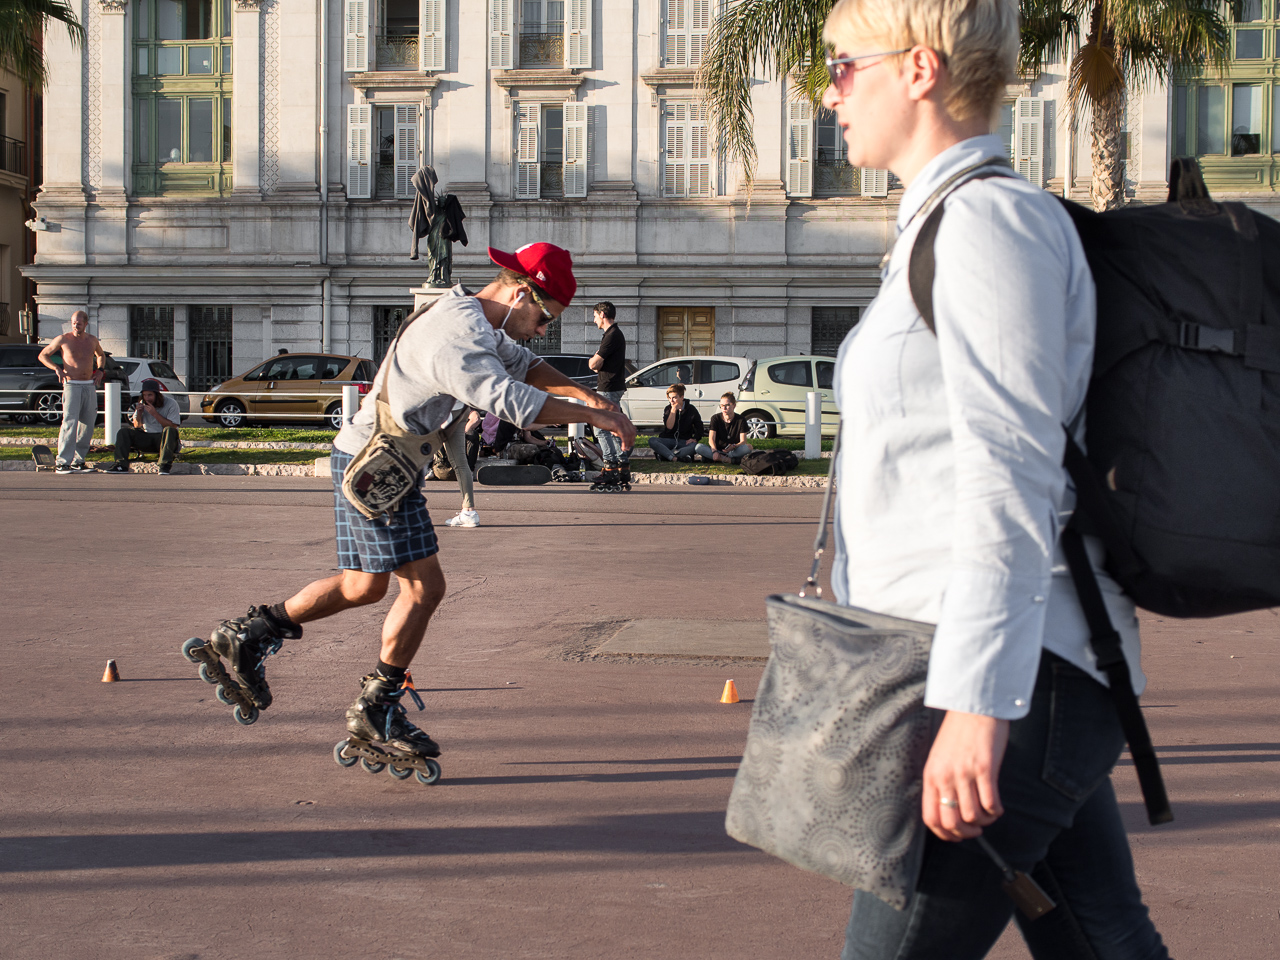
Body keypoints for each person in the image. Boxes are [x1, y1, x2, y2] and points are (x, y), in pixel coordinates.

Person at [820, 0, 1168, 957]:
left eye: (846, 66)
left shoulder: (985, 224)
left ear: (920, 69)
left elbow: (1010, 475)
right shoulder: (942, 224)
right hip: (1016, 664)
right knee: (1101, 940)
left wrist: (981, 709)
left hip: (1010, 677)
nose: (830, 91)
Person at [193, 242, 636, 768]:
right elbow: (510, 401)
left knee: (363, 586)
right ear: (521, 293)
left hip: (375, 459)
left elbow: (527, 365)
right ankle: (376, 707)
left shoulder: (477, 319)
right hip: (378, 467)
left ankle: (248, 636)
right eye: (546, 317)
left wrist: (591, 397)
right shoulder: (459, 336)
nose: (543, 329)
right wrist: (600, 419)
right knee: (426, 588)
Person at [38, 310, 105, 474]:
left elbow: (101, 355)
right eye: (74, 323)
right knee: (70, 422)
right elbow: (43, 355)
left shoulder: (92, 340)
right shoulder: (63, 339)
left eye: (79, 323)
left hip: (89, 385)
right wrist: (57, 368)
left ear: (86, 324)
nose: (76, 325)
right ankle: (62, 462)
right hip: (71, 384)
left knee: (87, 424)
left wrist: (101, 370)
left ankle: (78, 460)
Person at [588, 301, 630, 481]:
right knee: (612, 428)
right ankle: (622, 465)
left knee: (600, 428)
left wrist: (595, 361)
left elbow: (594, 364)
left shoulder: (612, 335)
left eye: (595, 316)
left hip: (608, 387)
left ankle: (610, 467)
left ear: (603, 314)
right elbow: (598, 364)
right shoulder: (614, 334)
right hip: (613, 386)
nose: (594, 320)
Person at [104, 378, 182, 474]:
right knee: (124, 432)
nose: (147, 398)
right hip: (146, 437)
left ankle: (164, 465)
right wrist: (139, 414)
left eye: (150, 395)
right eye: (145, 395)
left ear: (157, 395)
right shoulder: (142, 404)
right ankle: (121, 465)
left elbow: (173, 426)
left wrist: (155, 414)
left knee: (170, 430)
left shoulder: (170, 403)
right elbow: (137, 426)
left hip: (163, 438)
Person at [648, 383, 703, 461]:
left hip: (684, 441)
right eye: (669, 398)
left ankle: (666, 455)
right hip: (669, 439)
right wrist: (673, 410)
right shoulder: (668, 409)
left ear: (682, 397)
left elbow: (700, 426)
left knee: (694, 446)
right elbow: (669, 427)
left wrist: (695, 438)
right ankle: (675, 458)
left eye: (674, 398)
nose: (671, 401)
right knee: (652, 441)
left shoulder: (691, 409)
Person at [695, 393, 753, 464]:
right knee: (698, 447)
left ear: (734, 405)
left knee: (749, 447)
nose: (724, 408)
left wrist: (734, 446)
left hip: (733, 451)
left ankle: (718, 458)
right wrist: (715, 451)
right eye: (722, 406)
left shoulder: (741, 419)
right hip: (717, 450)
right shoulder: (715, 418)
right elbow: (711, 439)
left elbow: (743, 441)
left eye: (727, 405)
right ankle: (729, 460)